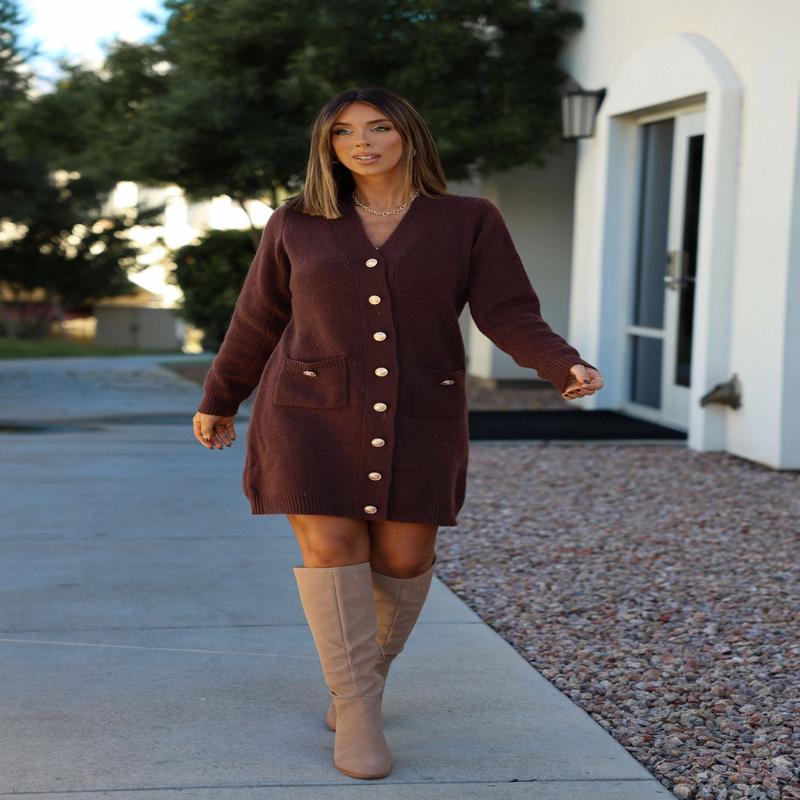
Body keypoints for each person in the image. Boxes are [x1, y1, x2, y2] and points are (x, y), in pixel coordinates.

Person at [192, 86, 604, 780]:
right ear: (328, 148)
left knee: (406, 558)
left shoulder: (468, 220)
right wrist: (221, 397)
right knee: (332, 547)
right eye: (344, 133)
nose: (363, 142)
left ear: (408, 135)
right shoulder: (296, 222)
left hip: (421, 412)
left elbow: (508, 312)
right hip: (308, 415)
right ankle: (357, 711)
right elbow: (257, 318)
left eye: (379, 127)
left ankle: (362, 681)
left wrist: (561, 364)